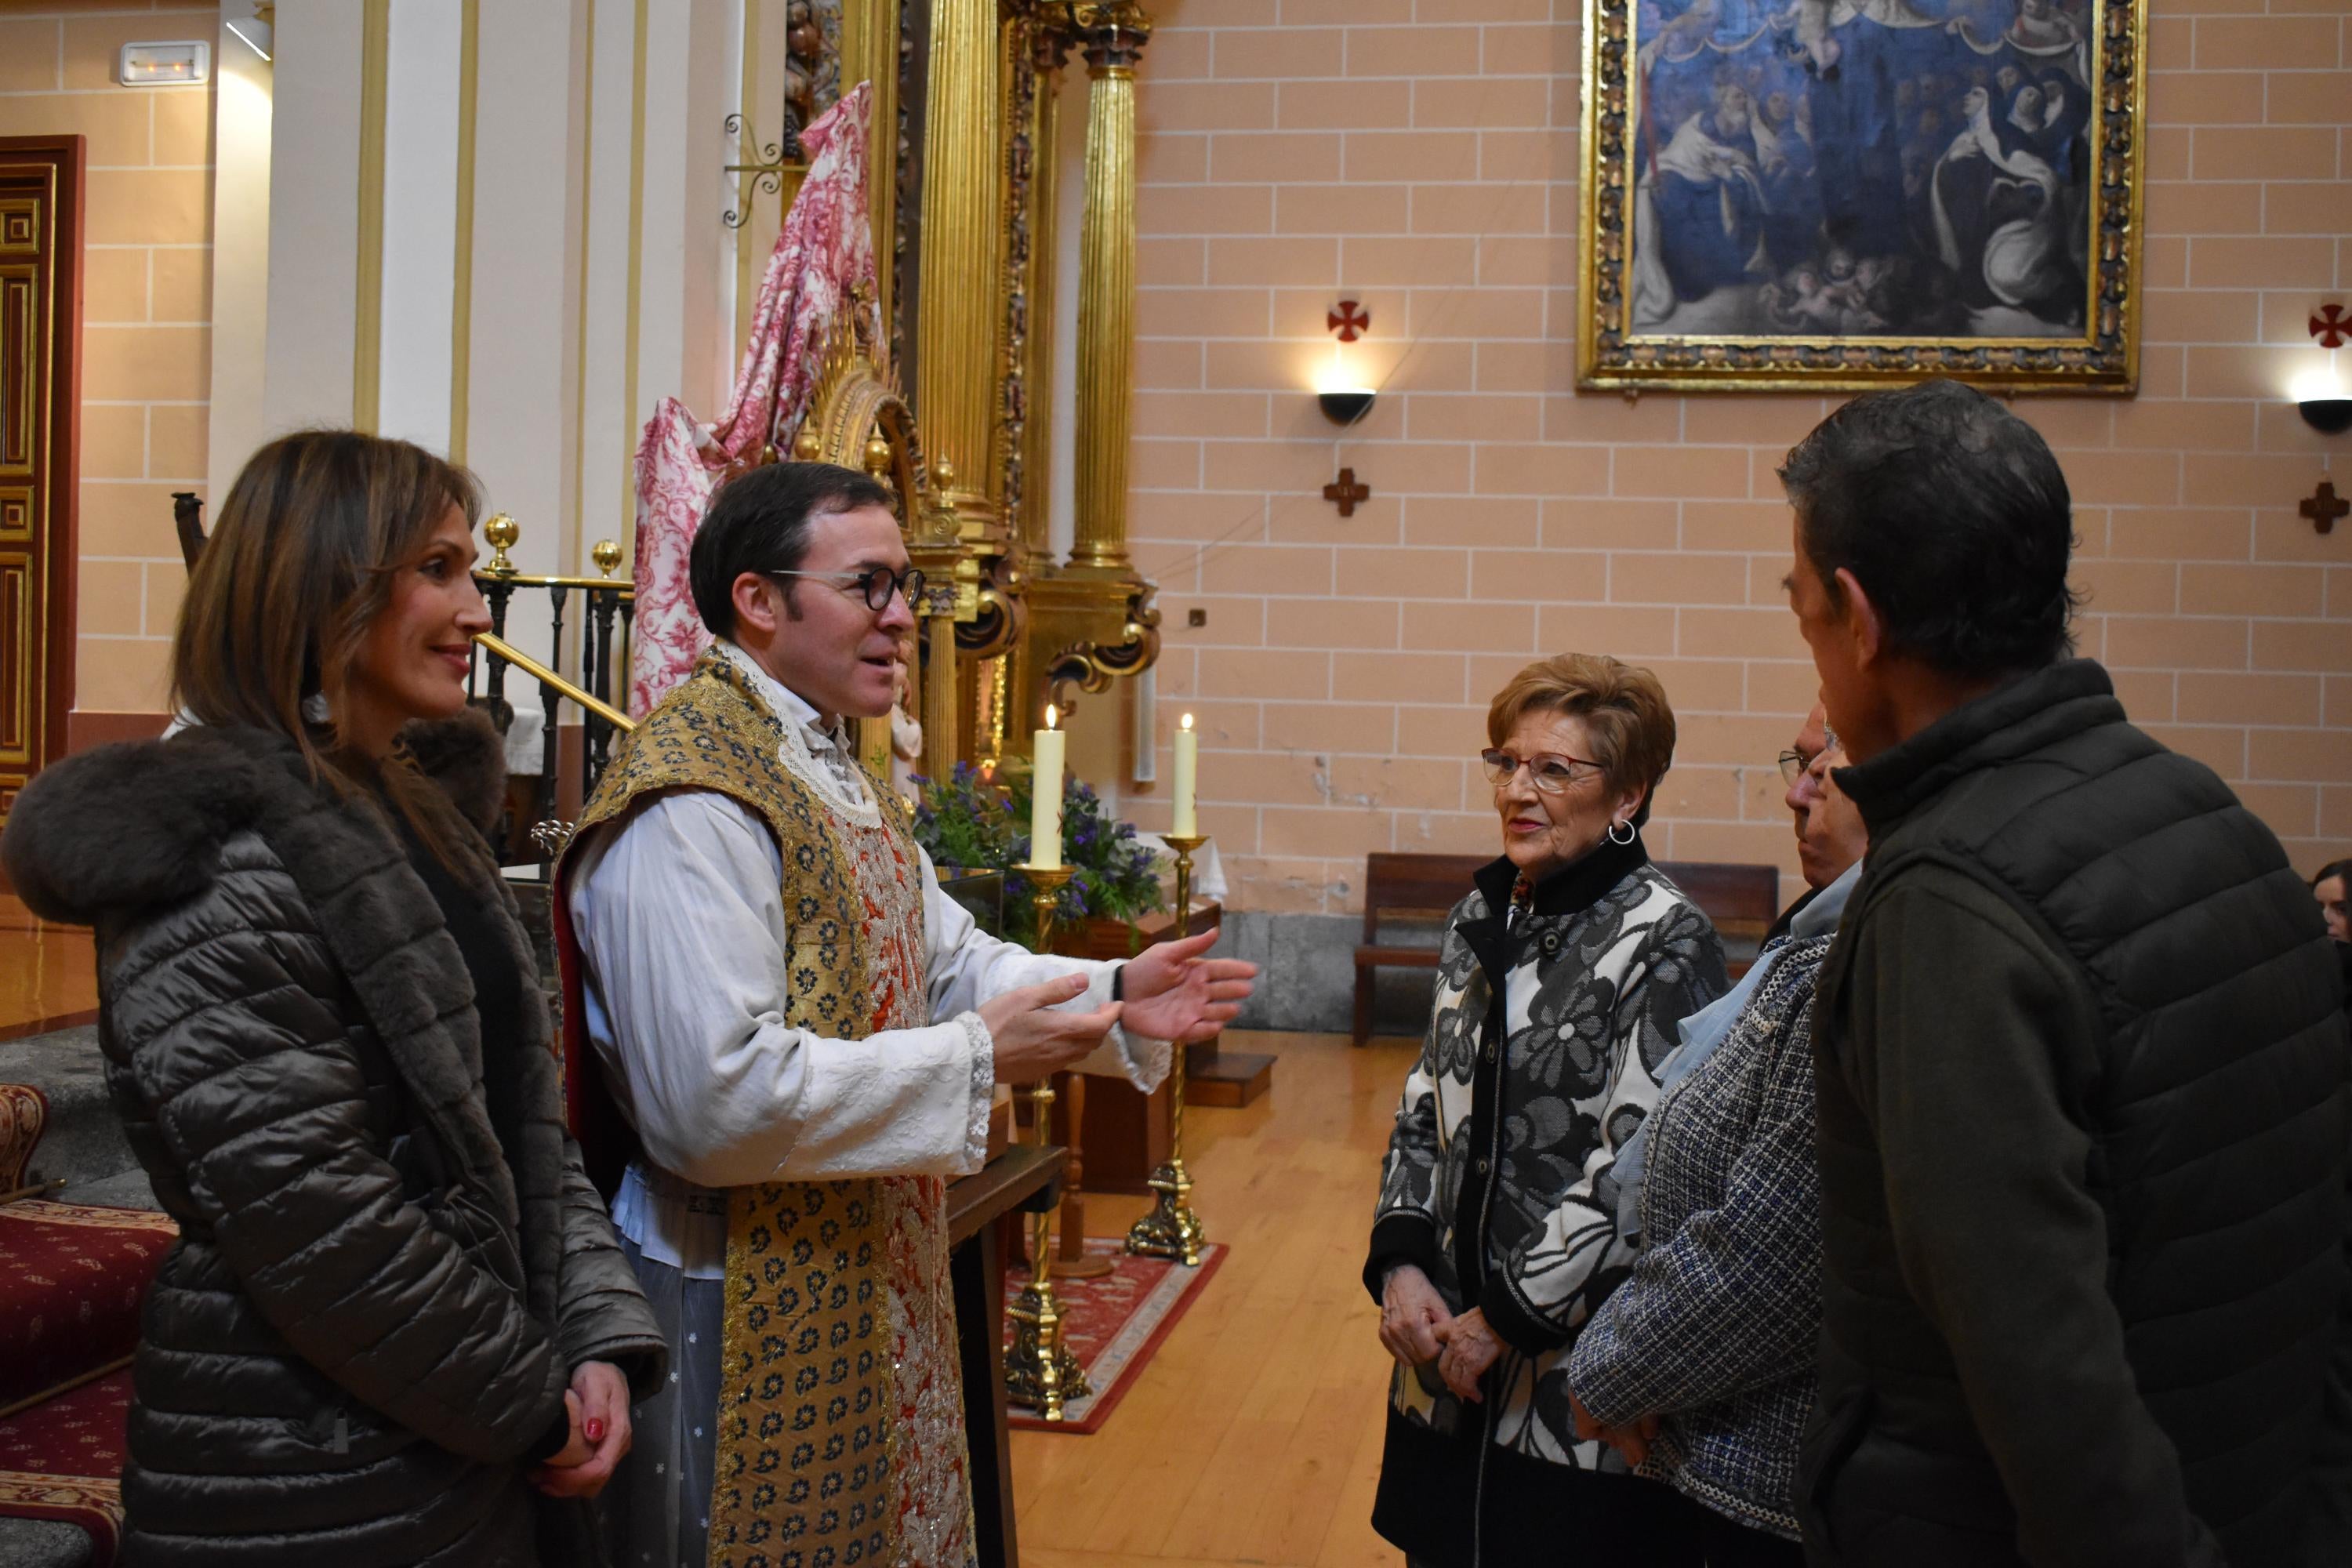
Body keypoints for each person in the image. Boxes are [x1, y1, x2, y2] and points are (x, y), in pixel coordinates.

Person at [557, 460, 1256, 1566]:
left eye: (906, 590)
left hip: (854, 1257)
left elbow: (943, 957)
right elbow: (710, 1103)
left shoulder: (832, 768)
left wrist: (1115, 994)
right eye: (871, 586)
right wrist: (981, 1057)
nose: (902, 619)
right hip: (730, 1290)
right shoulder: (692, 800)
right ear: (758, 598)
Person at [1, 431, 666, 1566]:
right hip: (305, 1464)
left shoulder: (417, 812)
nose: (479, 614)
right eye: (439, 570)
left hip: (456, 1427)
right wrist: (528, 1401)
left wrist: (598, 1335)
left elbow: (523, 1125)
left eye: (474, 573)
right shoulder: (213, 855)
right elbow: (315, 1214)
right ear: (326, 585)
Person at [1778, 378, 2352, 1566]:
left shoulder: (1948, 904)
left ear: (1858, 617)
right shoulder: (2211, 815)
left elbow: (2043, 1374)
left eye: (1802, 610)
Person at [1366, 652, 1730, 1567]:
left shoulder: (1666, 936)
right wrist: (1404, 1265)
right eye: (1507, 761)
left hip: (1566, 1382)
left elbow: (1647, 1163)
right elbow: (1423, 1105)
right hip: (1444, 1360)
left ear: (1629, 794)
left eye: (1554, 769)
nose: (1517, 789)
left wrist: (1510, 1315)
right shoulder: (1480, 914)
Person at [1564, 726, 1868, 1566]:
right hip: (1694, 1419)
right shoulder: (1813, 933)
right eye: (1507, 763)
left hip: (1768, 1470)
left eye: (1822, 768)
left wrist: (1614, 1367)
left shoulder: (1852, 961)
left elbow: (1774, 1253)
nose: (1796, 790)